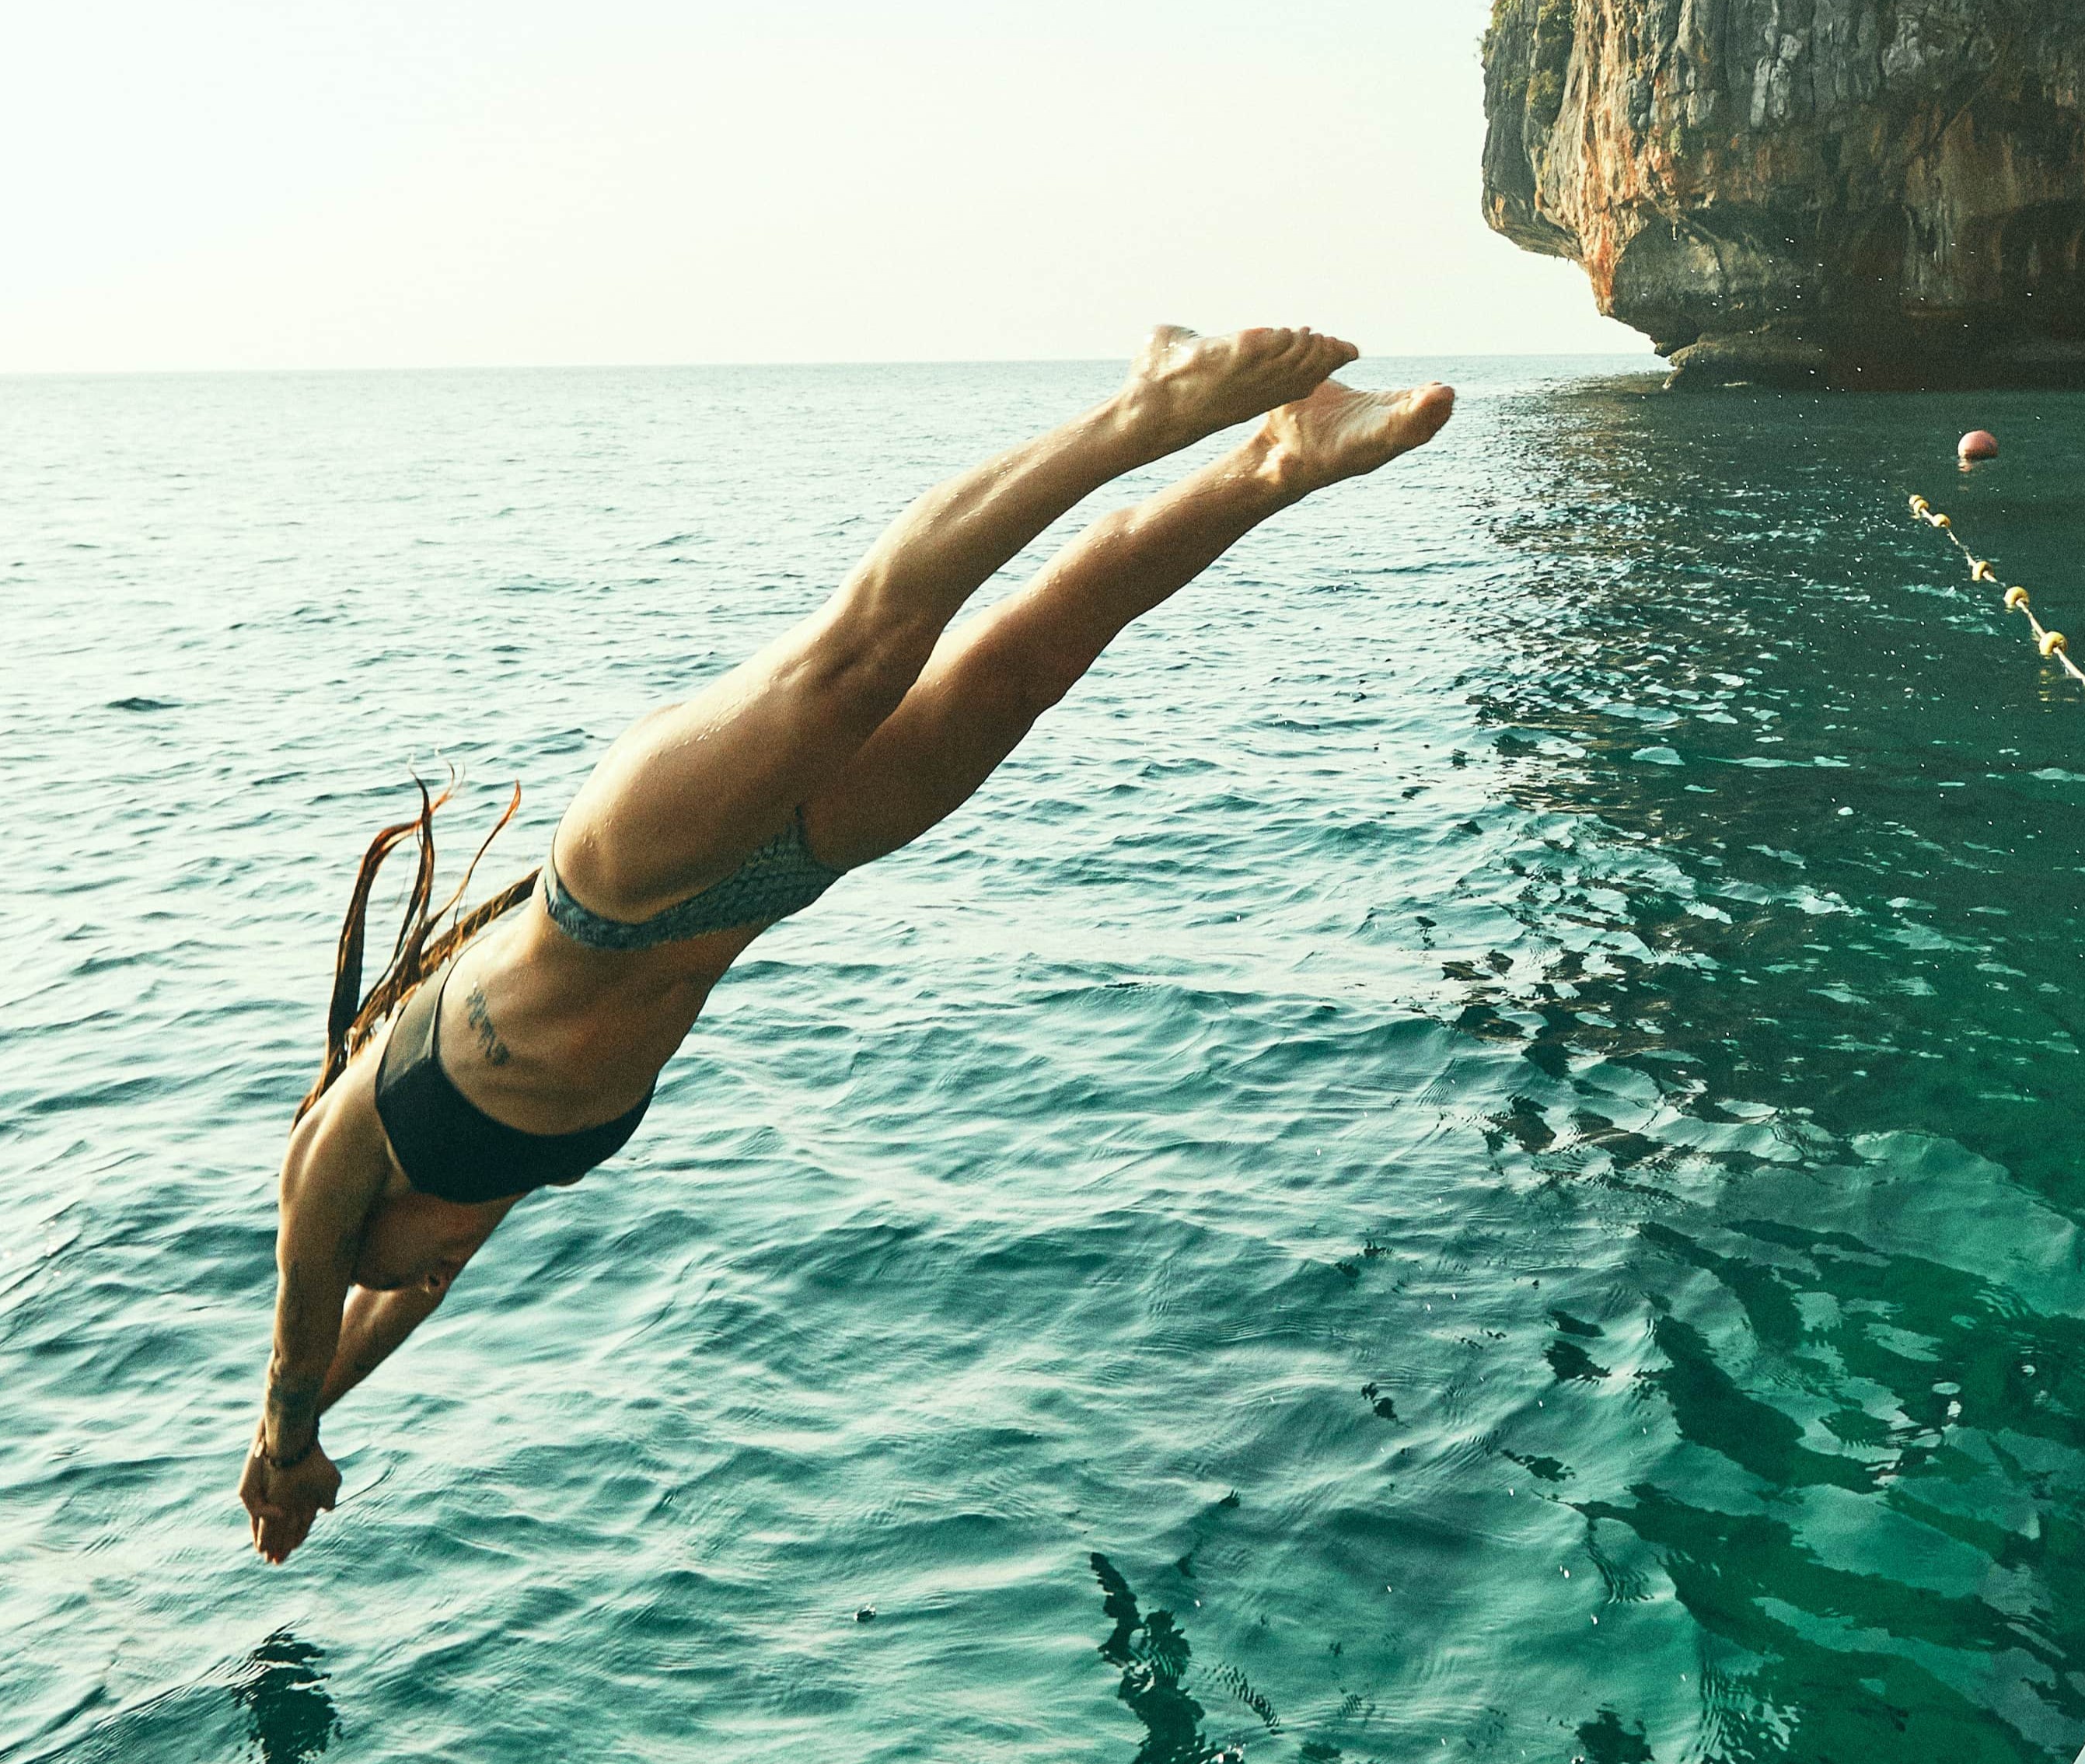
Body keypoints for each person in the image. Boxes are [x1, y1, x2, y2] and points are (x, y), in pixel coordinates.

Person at [237, 327, 1452, 1563]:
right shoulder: (479, 1194)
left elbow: (302, 1298)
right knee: (1027, 666)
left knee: (862, 654)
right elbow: (388, 1309)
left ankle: (1147, 404)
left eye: (387, 1265)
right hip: (766, 885)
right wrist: (318, 1423)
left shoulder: (351, 1131)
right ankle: (1275, 461)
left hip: (620, 872)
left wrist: (282, 1437)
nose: (419, 1275)